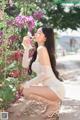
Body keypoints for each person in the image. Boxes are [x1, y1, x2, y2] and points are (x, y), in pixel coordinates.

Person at [21, 27, 65, 119]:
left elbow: (45, 74)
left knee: (25, 90)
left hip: (55, 89)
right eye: (36, 32)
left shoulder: (42, 49)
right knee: (24, 89)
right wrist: (26, 48)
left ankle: (53, 104)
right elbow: (25, 65)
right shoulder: (39, 50)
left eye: (39, 33)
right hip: (51, 88)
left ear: (45, 38)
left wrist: (28, 83)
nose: (35, 34)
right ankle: (52, 104)